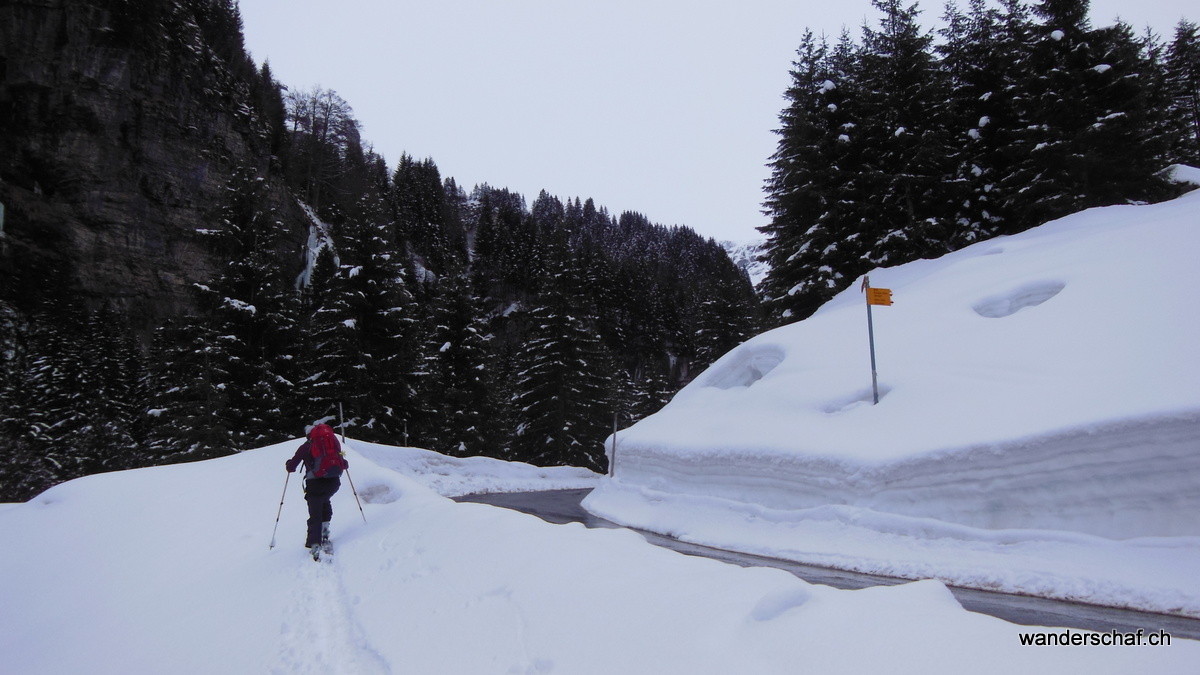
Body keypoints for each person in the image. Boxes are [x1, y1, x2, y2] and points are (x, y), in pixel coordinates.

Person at [285, 423, 346, 558]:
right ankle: (325, 530)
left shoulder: (306, 446)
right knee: (325, 500)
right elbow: (343, 462)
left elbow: (292, 467)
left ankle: (314, 543)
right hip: (333, 482)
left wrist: (288, 464)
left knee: (315, 512)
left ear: (308, 435)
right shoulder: (332, 442)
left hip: (315, 483)